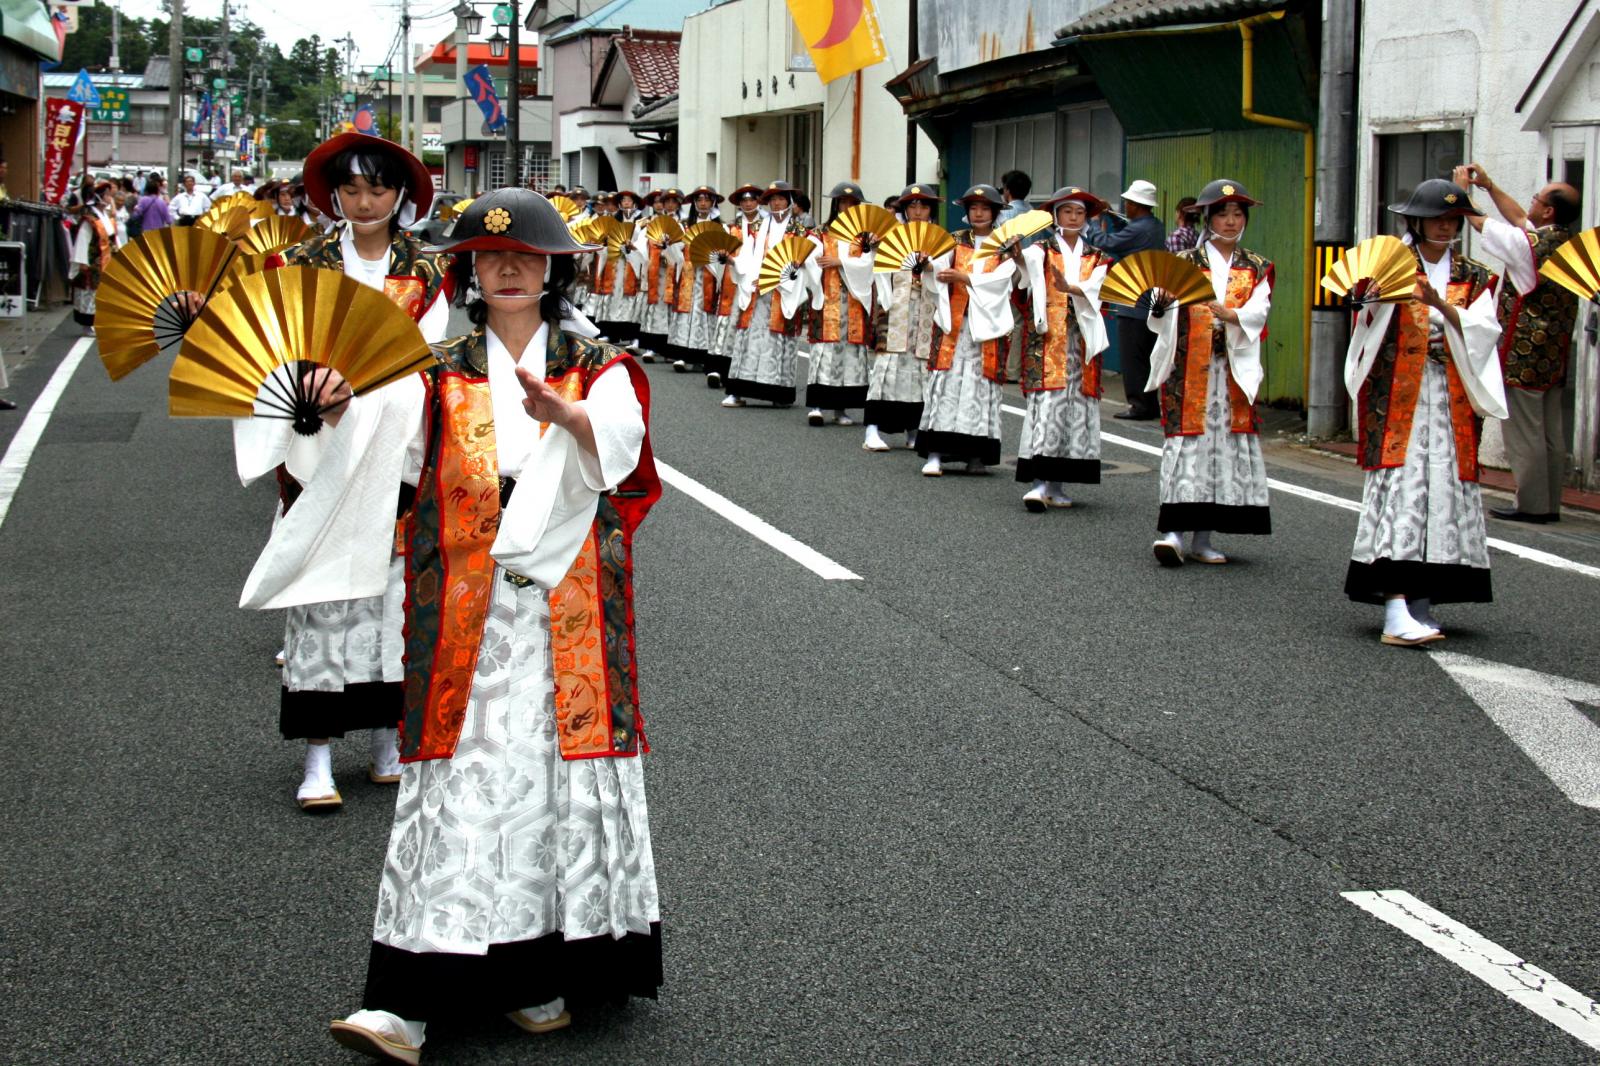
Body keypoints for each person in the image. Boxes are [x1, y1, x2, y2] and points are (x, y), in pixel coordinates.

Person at [277, 189, 662, 1061]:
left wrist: (571, 420)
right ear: (469, 270)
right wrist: (338, 410)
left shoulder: (595, 362)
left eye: (527, 255)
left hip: (566, 602)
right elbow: (389, 458)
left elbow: (625, 453)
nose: (509, 268)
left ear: (555, 266)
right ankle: (405, 1002)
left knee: (557, 775)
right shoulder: (432, 364)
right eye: (491, 258)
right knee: (461, 778)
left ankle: (537, 972)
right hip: (465, 609)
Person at [234, 132, 451, 810]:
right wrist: (311, 387)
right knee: (322, 596)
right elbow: (269, 352)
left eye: (378, 189)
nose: (363, 202)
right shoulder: (299, 263)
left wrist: (372, 395)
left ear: (401, 196)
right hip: (321, 449)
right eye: (351, 189)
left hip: (394, 448)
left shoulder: (425, 270)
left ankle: (388, 740)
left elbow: (428, 360)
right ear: (333, 194)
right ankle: (319, 755)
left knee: (391, 599)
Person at [1342, 178, 1505, 645]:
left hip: (1450, 395)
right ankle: (1395, 606)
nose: (1446, 226)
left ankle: (1422, 603)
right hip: (1400, 398)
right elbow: (1367, 324)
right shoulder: (1391, 266)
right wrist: (1374, 300)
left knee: (1446, 492)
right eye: (1437, 217)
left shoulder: (1474, 275)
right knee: (1403, 491)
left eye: (1453, 219)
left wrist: (1443, 311)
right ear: (1415, 220)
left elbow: (1485, 331)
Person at [1146, 179, 1274, 567]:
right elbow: (1157, 310)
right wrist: (1162, 304)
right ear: (1207, 217)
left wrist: (1231, 314)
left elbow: (1260, 310)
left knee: (1222, 448)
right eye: (1223, 214)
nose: (1232, 221)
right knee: (1186, 445)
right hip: (1188, 368)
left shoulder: (1257, 266)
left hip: (1231, 368)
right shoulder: (1183, 262)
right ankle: (1173, 532)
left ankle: (1203, 538)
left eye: (1238, 215)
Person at [1454, 163, 1580, 524]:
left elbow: (1483, 224)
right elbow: (1519, 219)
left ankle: (1533, 505)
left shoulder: (1528, 246)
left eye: (1538, 199)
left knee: (1525, 431)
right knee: (1551, 433)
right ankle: (1550, 501)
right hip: (1555, 354)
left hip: (1525, 353)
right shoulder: (1565, 239)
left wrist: (1462, 194)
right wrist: (1491, 186)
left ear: (1549, 210)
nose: (1531, 203)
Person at [1016, 185, 1112, 510]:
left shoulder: (1097, 257)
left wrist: (1074, 290)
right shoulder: (1039, 250)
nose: (1073, 217)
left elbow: (1100, 291)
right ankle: (1040, 482)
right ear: (1056, 215)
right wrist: (1018, 259)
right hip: (1049, 342)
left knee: (1075, 408)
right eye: (1067, 211)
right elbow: (1023, 282)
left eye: (1080, 212)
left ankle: (1058, 484)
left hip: (1080, 342)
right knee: (1048, 405)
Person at [917, 184, 1018, 476]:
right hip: (955, 325)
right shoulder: (954, 240)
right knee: (946, 384)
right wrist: (927, 266)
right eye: (973, 208)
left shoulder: (1004, 246)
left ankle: (976, 454)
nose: (979, 213)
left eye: (986, 208)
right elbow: (938, 267)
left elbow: (1003, 282)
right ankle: (935, 452)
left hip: (986, 326)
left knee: (980, 386)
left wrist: (964, 277)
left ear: (996, 212)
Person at [864, 183, 940, 451]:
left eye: (923, 206)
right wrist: (874, 250)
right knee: (887, 368)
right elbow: (880, 272)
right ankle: (872, 429)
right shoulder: (890, 235)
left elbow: (943, 273)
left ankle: (912, 428)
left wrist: (931, 268)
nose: (917, 211)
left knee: (920, 370)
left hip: (926, 309)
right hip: (896, 306)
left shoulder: (941, 238)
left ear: (931, 209)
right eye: (912, 206)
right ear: (905, 210)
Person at [723, 180, 811, 407]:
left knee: (778, 339)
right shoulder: (757, 228)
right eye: (772, 199)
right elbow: (748, 256)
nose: (776, 203)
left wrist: (778, 279)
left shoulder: (800, 231)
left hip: (784, 293)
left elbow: (803, 263)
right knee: (749, 339)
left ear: (790, 202)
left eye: (781, 198)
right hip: (755, 289)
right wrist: (734, 261)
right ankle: (739, 390)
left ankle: (778, 393)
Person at [1084, 178, 1165, 420]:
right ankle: (1149, 404)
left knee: (1133, 356)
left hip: (1134, 300)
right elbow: (1126, 231)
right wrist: (1111, 215)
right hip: (1150, 298)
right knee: (1146, 355)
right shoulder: (1154, 226)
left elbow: (1104, 242)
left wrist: (1096, 221)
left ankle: (1139, 405)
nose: (1125, 206)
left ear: (1135, 205)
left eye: (1127, 202)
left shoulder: (1139, 229)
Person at [803, 180, 874, 426]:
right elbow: (811, 260)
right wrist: (813, 260)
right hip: (828, 299)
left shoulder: (864, 238)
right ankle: (817, 404)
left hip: (854, 300)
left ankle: (841, 408)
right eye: (843, 202)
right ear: (836, 205)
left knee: (850, 352)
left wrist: (841, 263)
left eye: (852, 203)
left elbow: (869, 266)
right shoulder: (822, 232)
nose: (847, 207)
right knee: (824, 351)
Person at [705, 183, 763, 390]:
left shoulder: (765, 227)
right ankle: (718, 368)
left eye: (752, 200)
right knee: (726, 321)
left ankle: (744, 370)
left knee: (748, 324)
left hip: (755, 280)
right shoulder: (729, 228)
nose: (748, 204)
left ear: (758, 202)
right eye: (744, 201)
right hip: (731, 280)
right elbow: (715, 253)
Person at [666, 184, 727, 375]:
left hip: (709, 274)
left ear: (713, 202)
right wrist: (670, 245)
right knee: (686, 312)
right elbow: (676, 255)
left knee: (705, 312)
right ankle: (684, 354)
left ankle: (706, 354)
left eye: (707, 200)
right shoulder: (685, 226)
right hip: (688, 273)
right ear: (694, 203)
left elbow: (724, 252)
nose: (703, 203)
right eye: (699, 200)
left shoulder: (721, 227)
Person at [632, 187, 683, 362]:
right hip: (655, 267)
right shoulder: (651, 222)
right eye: (666, 201)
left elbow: (683, 246)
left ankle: (669, 348)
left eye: (672, 202)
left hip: (674, 269)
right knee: (654, 306)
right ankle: (652, 346)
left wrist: (669, 251)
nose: (669, 205)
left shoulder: (682, 223)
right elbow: (642, 242)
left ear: (678, 204)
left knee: (671, 306)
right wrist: (637, 249)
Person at [590, 191, 645, 349]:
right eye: (623, 200)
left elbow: (643, 244)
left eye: (629, 200)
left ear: (634, 203)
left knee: (632, 299)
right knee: (612, 296)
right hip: (615, 263)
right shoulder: (612, 221)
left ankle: (633, 336)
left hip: (633, 263)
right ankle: (609, 331)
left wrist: (632, 248)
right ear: (619, 204)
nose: (626, 203)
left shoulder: (642, 223)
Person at [68, 182, 115, 334]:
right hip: (93, 259)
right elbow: (82, 240)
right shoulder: (90, 218)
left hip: (106, 259)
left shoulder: (104, 216)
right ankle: (87, 325)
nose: (109, 198)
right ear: (99, 197)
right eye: (107, 195)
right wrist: (81, 261)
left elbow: (112, 237)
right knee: (90, 291)